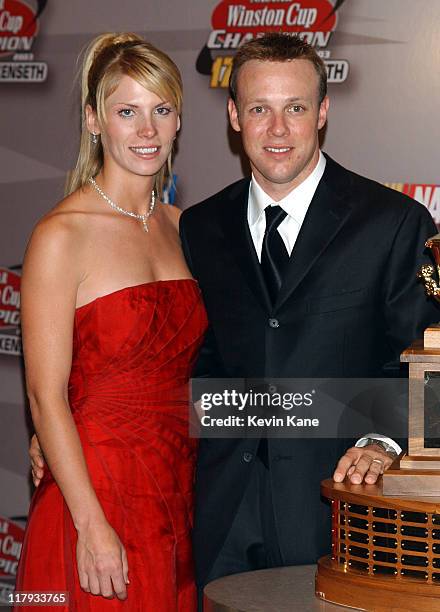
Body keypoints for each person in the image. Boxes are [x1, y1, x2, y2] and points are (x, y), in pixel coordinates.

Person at [178, 33, 439, 599]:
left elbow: (429, 366)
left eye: (294, 107)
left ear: (322, 111)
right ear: (232, 115)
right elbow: (196, 362)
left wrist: (385, 442)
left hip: (339, 514)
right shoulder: (200, 227)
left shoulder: (393, 224)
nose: (277, 130)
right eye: (259, 109)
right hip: (225, 511)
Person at [17, 33, 206, 611]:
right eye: (128, 111)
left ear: (178, 121)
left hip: (178, 489)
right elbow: (46, 397)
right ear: (95, 120)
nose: (146, 131)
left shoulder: (185, 227)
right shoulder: (60, 236)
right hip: (96, 497)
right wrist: (91, 526)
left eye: (161, 110)